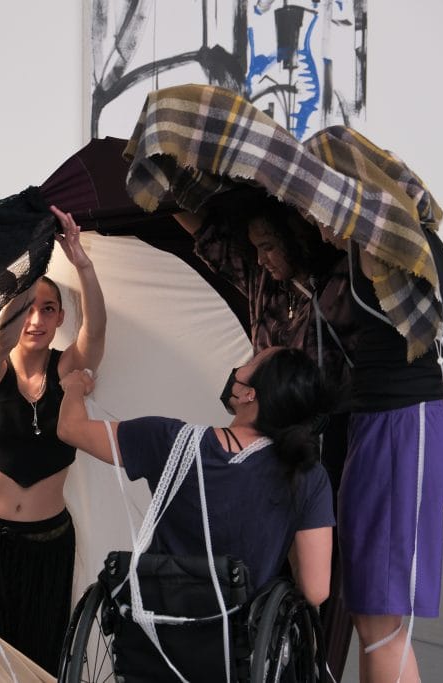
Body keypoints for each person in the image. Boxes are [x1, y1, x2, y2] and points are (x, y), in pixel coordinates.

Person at [176, 187, 358, 679]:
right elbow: (201, 228)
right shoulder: (261, 280)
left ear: (297, 239)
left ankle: (310, 664)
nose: (262, 257)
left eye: (270, 245)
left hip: (317, 447)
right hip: (259, 446)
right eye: (254, 246)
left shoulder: (334, 287)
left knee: (313, 577)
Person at [0, 208, 106, 675]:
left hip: (48, 544)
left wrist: (82, 265)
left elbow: (95, 333)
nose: (36, 319)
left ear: (59, 319)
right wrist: (29, 272)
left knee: (38, 661)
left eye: (48, 309)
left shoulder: (68, 370)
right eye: (28, 308)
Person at [58, 346, 335, 608]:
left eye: (250, 363)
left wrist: (73, 387)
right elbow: (316, 590)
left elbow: (71, 428)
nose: (238, 369)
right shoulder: (308, 475)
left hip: (156, 624)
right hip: (240, 644)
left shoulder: (168, 439)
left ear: (250, 395)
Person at [330, 229, 443, 682]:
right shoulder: (428, 250)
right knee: (370, 615)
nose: (317, 223)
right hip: (394, 427)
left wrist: (426, 428)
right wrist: (438, 427)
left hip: (400, 428)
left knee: (382, 623)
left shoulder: (382, 245)